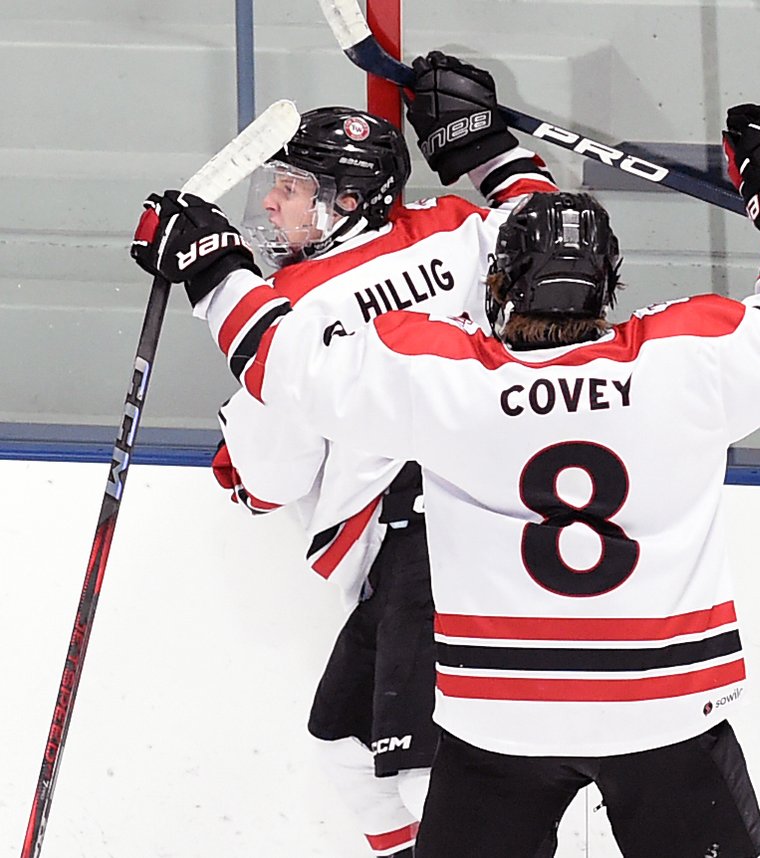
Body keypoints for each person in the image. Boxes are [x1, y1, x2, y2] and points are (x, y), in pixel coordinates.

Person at [130, 103, 760, 857]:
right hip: (665, 705)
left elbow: (284, 365)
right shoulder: (684, 364)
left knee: (382, 763)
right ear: (610, 286)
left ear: (498, 284)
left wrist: (212, 265)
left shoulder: (449, 384)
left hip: (503, 717)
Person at [189, 53, 558, 858]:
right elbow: (555, 237)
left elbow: (272, 479)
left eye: (292, 188)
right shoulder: (457, 227)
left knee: (436, 775)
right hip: (504, 512)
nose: (273, 202)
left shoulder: (287, 307)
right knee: (345, 740)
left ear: (348, 203)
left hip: (432, 539)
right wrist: (481, 141)